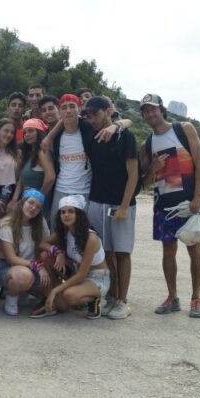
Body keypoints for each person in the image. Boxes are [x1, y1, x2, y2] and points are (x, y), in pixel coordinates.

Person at [139, 93, 200, 318]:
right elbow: (145, 182)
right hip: (163, 205)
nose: (150, 113)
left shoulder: (184, 129)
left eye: (153, 109)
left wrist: (198, 198)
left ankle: (196, 298)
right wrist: (153, 168)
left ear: (161, 109)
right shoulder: (147, 144)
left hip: (188, 202)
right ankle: (172, 297)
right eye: (146, 110)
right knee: (168, 251)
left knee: (193, 246)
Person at [82, 96, 139, 320]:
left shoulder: (126, 137)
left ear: (108, 111)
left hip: (120, 202)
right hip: (97, 201)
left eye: (95, 114)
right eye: (88, 115)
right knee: (107, 252)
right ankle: (112, 296)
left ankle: (123, 300)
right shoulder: (89, 132)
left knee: (122, 252)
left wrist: (124, 206)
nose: (92, 119)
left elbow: (133, 174)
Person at [41, 94, 129, 226]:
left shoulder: (89, 129)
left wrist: (115, 126)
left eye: (72, 106)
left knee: (83, 233)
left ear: (80, 109)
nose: (68, 110)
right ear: (59, 111)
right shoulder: (56, 135)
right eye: (64, 108)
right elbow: (63, 122)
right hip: (61, 189)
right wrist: (49, 137)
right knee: (57, 230)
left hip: (84, 191)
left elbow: (128, 122)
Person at [40, 195, 109, 317]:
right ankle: (57, 292)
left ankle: (93, 299)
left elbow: (82, 275)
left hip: (97, 277)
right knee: (46, 256)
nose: (66, 215)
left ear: (79, 214)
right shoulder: (65, 231)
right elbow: (43, 244)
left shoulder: (90, 238)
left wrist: (55, 291)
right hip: (77, 271)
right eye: (63, 212)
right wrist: (58, 252)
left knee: (69, 295)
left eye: (71, 211)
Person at [0, 188, 51, 316]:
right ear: (22, 202)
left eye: (38, 207)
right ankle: (12, 295)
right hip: (9, 267)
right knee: (24, 276)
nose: (33, 208)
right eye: (30, 203)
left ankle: (25, 290)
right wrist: (38, 266)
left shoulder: (40, 223)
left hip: (33, 267)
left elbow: (47, 244)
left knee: (55, 295)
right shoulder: (6, 224)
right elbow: (11, 258)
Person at [17, 118, 55, 210]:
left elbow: (50, 177)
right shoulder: (29, 153)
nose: (27, 135)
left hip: (37, 205)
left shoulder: (42, 152)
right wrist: (14, 199)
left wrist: (38, 199)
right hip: (27, 202)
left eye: (31, 131)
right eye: (25, 132)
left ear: (39, 132)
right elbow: (22, 179)